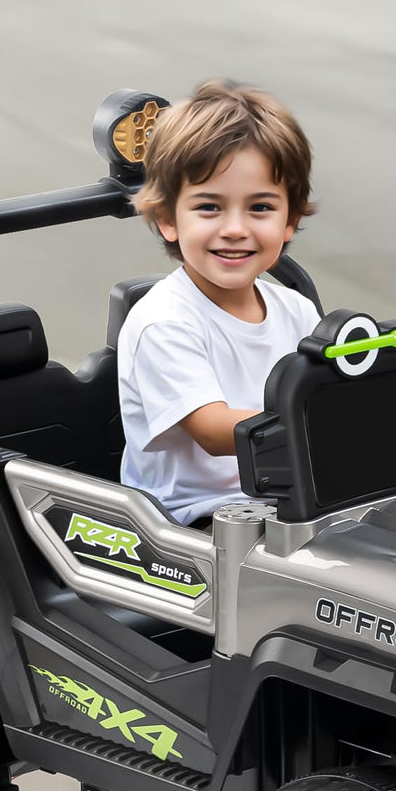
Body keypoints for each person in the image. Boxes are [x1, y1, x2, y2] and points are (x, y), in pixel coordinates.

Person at [116, 80, 321, 527]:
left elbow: (328, 391)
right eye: (209, 207)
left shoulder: (297, 309)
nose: (235, 229)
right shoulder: (163, 321)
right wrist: (323, 421)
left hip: (285, 501)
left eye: (260, 208)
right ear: (168, 219)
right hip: (192, 521)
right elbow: (212, 429)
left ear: (290, 220)